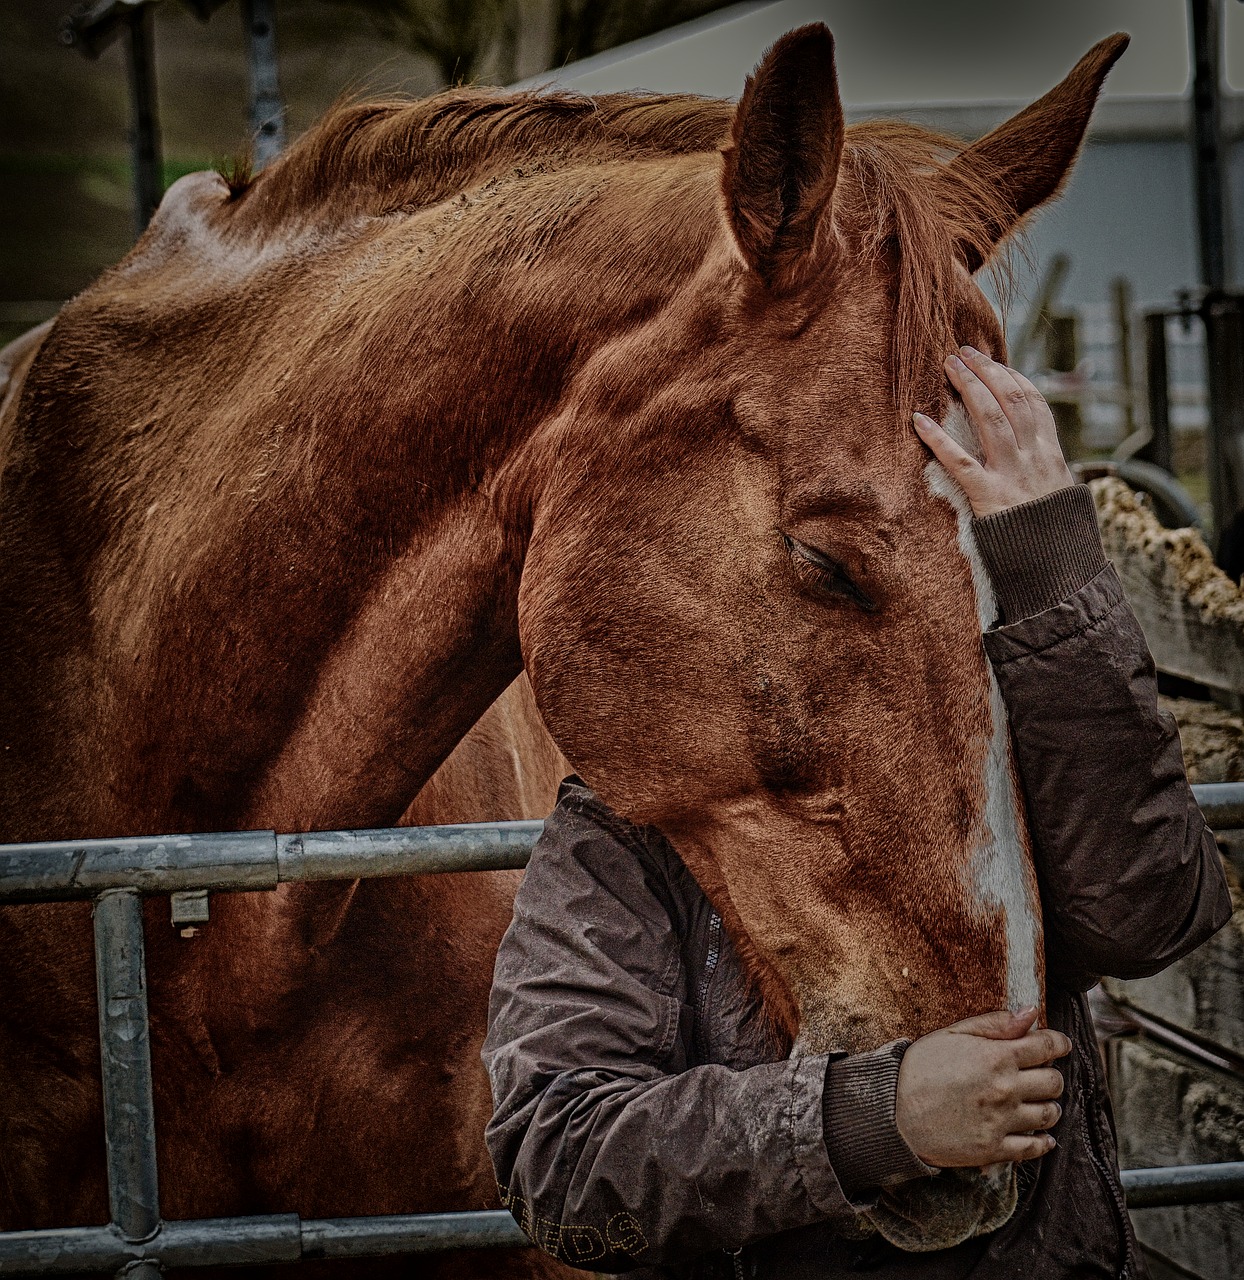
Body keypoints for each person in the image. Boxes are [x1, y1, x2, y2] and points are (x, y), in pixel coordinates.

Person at [482, 347, 1233, 1278]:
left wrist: (1055, 573)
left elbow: (1149, 913)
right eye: (833, 564)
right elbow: (561, 1157)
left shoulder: (986, 729)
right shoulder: (628, 821)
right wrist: (883, 1116)